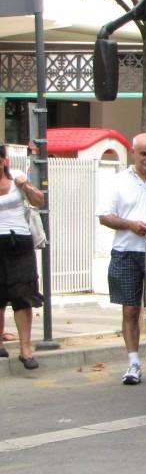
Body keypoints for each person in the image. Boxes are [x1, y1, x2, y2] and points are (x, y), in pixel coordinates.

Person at [96, 133, 146, 385]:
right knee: (130, 309)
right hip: (126, 251)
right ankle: (133, 362)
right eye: (143, 153)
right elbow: (104, 216)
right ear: (133, 153)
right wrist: (130, 225)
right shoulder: (118, 182)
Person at [0, 144, 44, 369]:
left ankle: (25, 350)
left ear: (4, 161)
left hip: (20, 243)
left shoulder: (17, 178)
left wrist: (24, 185)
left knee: (22, 295)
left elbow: (39, 201)